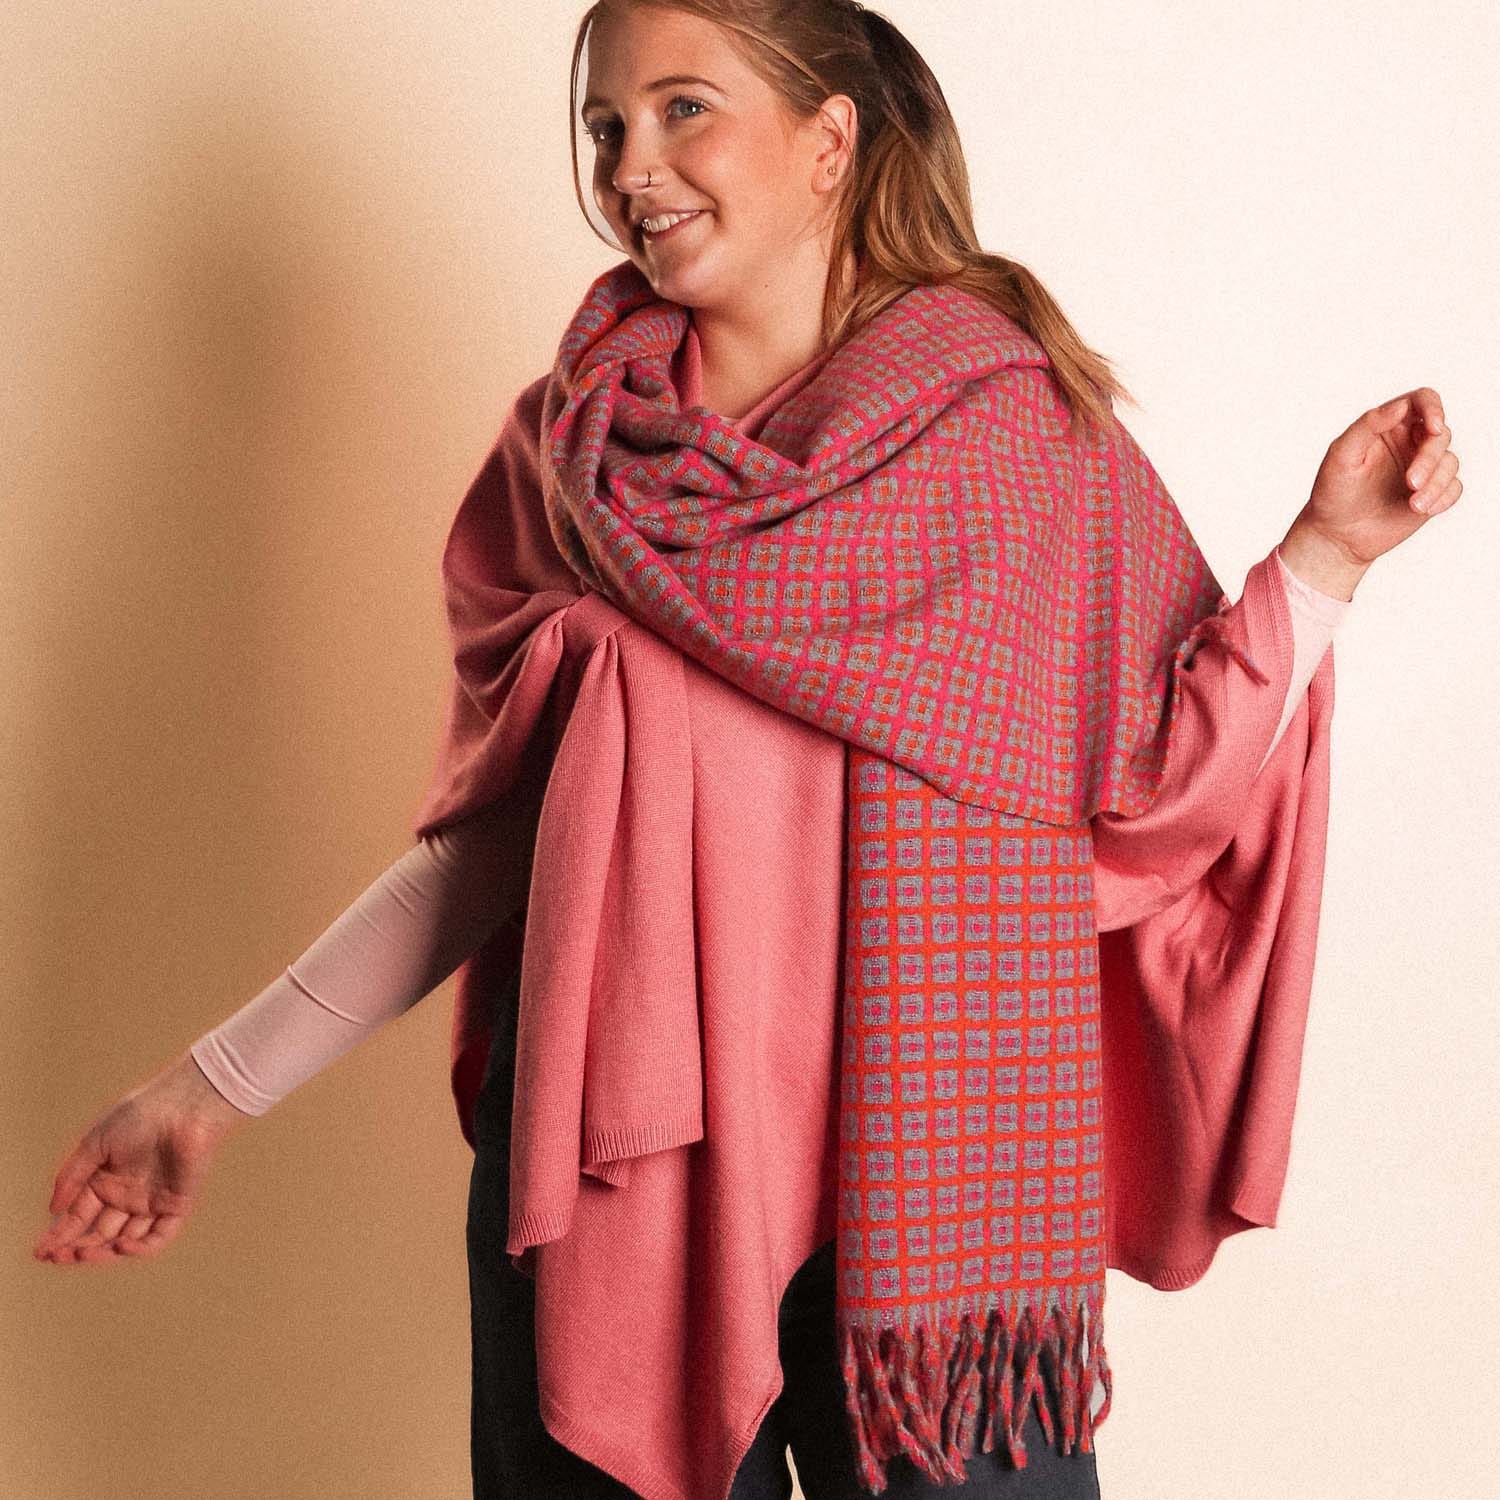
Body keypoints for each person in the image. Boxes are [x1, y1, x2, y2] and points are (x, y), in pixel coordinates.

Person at [34, 3, 1463, 1499]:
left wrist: (1324, 558)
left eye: (683, 109)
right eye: (605, 126)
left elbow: (1162, 784)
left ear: (830, 138)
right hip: (614, 1189)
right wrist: (206, 1087)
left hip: (929, 1219)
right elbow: (506, 848)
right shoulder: (574, 452)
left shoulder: (1013, 441)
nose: (633, 165)